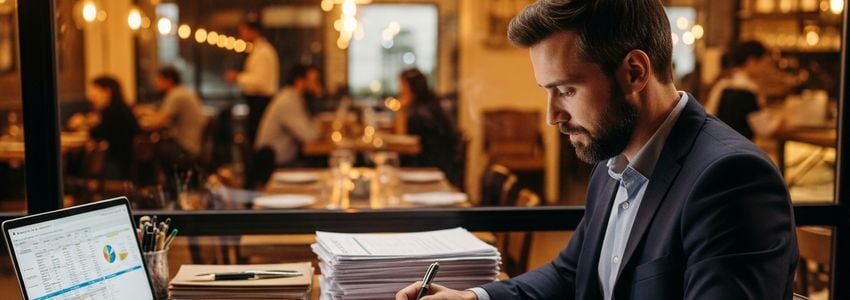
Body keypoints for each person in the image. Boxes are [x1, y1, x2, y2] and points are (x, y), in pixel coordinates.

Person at [396, 1, 797, 299]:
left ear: (634, 73)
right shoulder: (613, 162)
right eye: (548, 92)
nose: (553, 116)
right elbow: (572, 273)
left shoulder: (731, 179)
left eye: (566, 90)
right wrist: (473, 297)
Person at [253, 64, 321, 183]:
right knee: (321, 169)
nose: (317, 86)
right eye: (313, 81)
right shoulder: (288, 101)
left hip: (282, 160)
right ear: (300, 82)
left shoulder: (294, 98)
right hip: (275, 165)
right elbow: (309, 135)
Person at [224, 13, 280, 146]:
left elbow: (260, 81)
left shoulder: (263, 52)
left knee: (258, 140)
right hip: (256, 102)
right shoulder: (257, 50)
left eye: (243, 31)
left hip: (261, 102)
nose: (241, 35)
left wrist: (237, 77)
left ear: (252, 31)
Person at [396, 68, 459, 183]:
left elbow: (410, 144)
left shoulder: (419, 112)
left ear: (411, 87)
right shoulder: (430, 104)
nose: (400, 90)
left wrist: (401, 110)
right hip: (441, 165)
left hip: (429, 168)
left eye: (402, 85)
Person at [71, 76, 140, 180]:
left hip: (114, 168)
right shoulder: (122, 109)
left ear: (107, 92)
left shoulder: (113, 113)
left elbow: (97, 134)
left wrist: (82, 124)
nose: (92, 97)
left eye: (95, 92)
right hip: (124, 165)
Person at [704, 40, 771, 140]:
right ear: (751, 61)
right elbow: (765, 129)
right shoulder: (748, 90)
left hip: (721, 145)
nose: (764, 68)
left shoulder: (722, 84)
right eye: (763, 63)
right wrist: (783, 122)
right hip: (742, 149)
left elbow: (708, 114)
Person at [140, 66, 207, 164]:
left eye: (158, 79)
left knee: (149, 150)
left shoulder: (176, 95)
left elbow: (158, 121)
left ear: (168, 80)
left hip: (186, 147)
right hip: (193, 144)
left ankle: (152, 179)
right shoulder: (182, 91)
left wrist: (138, 123)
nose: (156, 83)